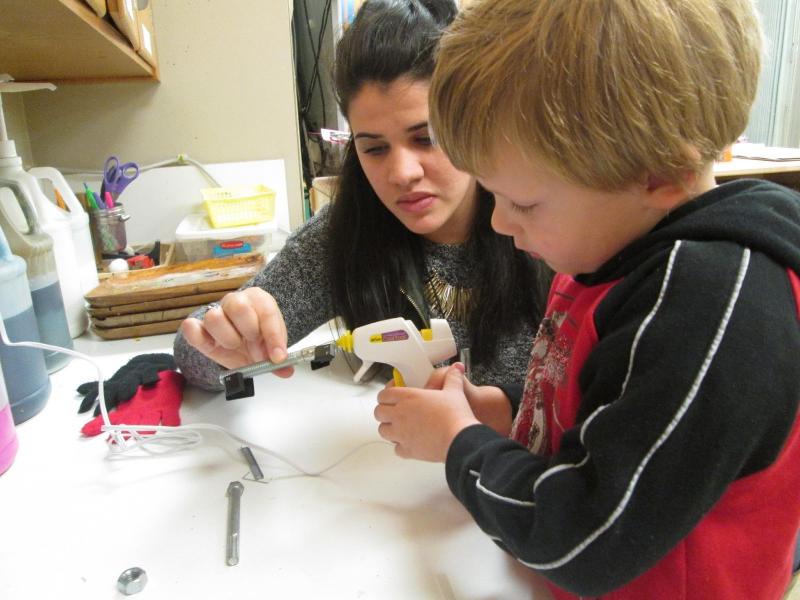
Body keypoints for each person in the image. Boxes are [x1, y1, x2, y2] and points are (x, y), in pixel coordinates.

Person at [374, 0, 800, 598]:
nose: (499, 224)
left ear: (658, 174)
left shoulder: (710, 303)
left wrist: (460, 446)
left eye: (522, 202)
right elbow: (619, 407)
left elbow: (584, 537)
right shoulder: (608, 243)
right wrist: (507, 415)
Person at [174, 0, 550, 393]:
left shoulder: (545, 219)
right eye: (374, 148)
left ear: (470, 122)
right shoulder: (347, 233)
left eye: (427, 138)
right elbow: (194, 354)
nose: (402, 173)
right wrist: (227, 335)